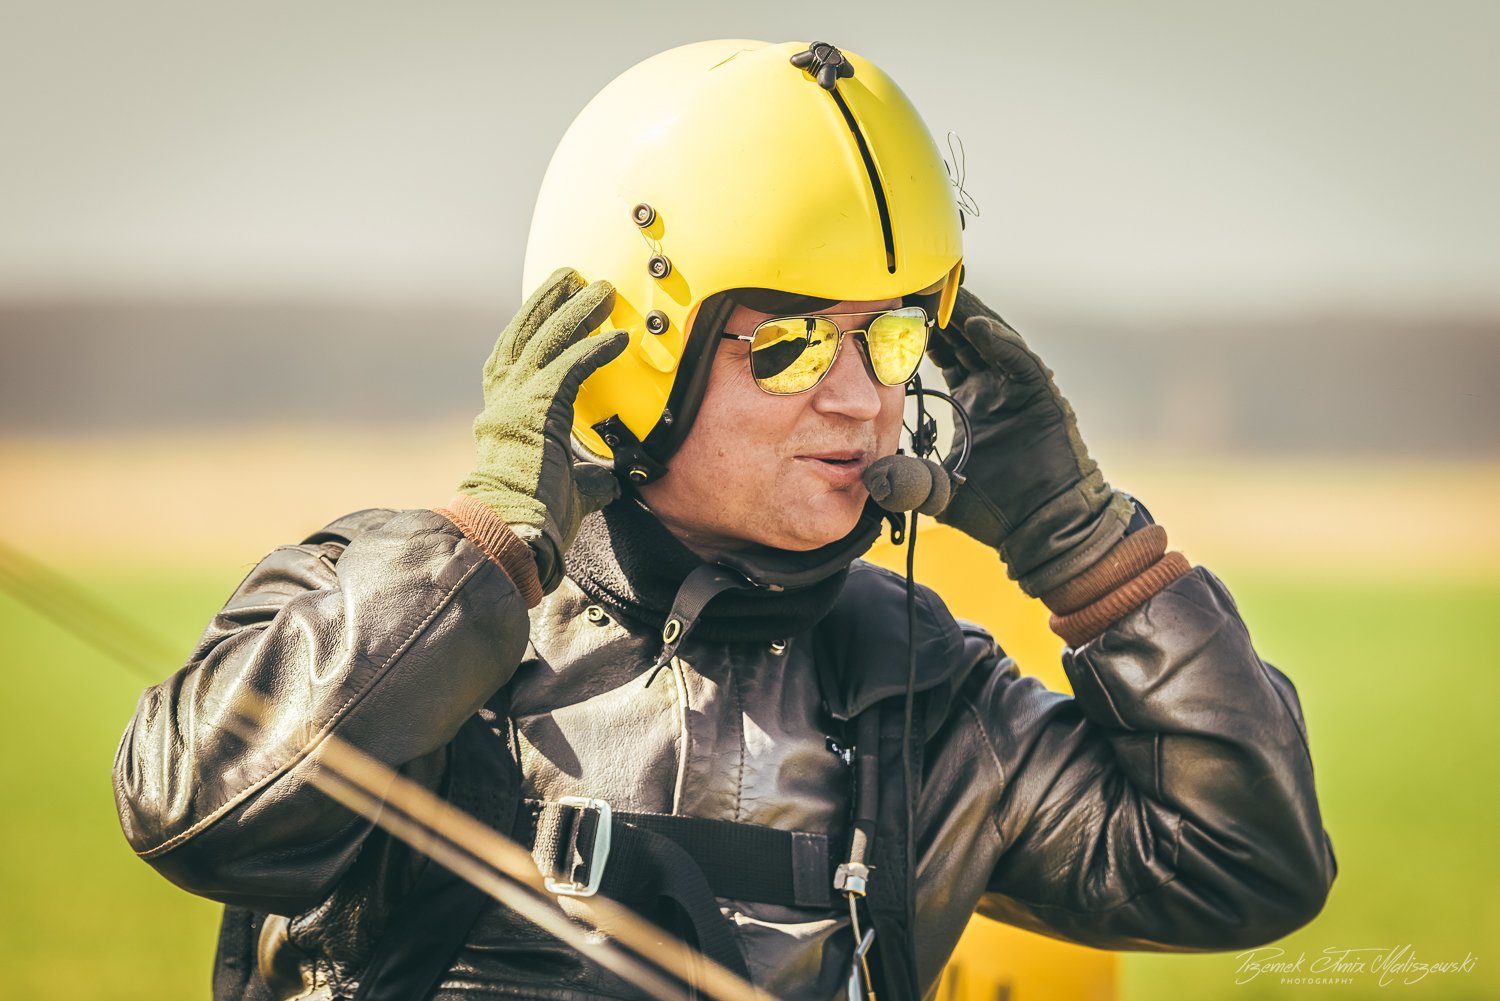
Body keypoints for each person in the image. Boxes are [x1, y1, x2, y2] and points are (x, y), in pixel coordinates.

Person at [113, 39, 1336, 1001]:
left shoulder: (929, 695)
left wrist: (1094, 553)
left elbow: (1245, 864)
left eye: (893, 336)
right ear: (641, 349)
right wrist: (483, 556)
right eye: (799, 342)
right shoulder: (384, 604)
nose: (864, 401)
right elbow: (198, 812)